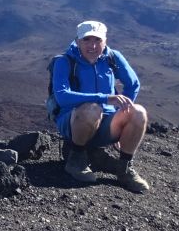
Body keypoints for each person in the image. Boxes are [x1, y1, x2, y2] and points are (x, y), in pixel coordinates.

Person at [52, 20, 150, 192]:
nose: (93, 45)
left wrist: (122, 112)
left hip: (105, 122)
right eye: (87, 40)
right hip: (73, 122)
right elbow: (62, 97)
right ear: (77, 41)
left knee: (138, 112)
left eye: (97, 40)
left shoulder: (112, 58)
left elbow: (133, 84)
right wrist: (104, 98)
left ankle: (124, 168)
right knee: (92, 108)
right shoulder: (64, 61)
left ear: (105, 41)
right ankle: (76, 159)